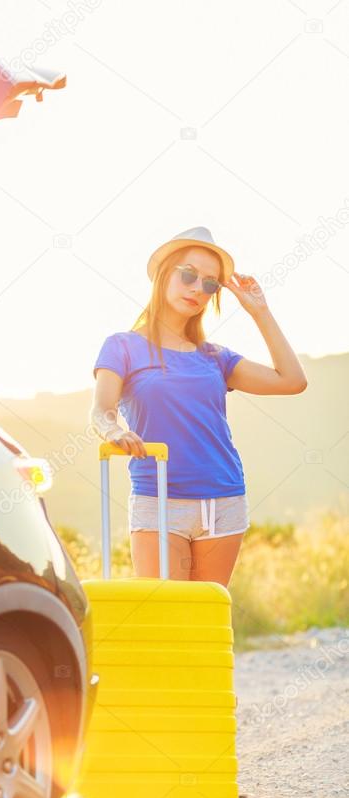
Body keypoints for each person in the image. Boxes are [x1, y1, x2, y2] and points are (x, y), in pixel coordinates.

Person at [90, 226, 307, 587]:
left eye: (209, 284)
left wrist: (260, 311)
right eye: (189, 275)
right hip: (158, 498)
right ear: (164, 275)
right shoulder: (122, 346)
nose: (197, 288)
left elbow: (292, 381)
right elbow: (101, 411)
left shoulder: (215, 357)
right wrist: (114, 430)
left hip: (224, 497)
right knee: (167, 618)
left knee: (208, 616)